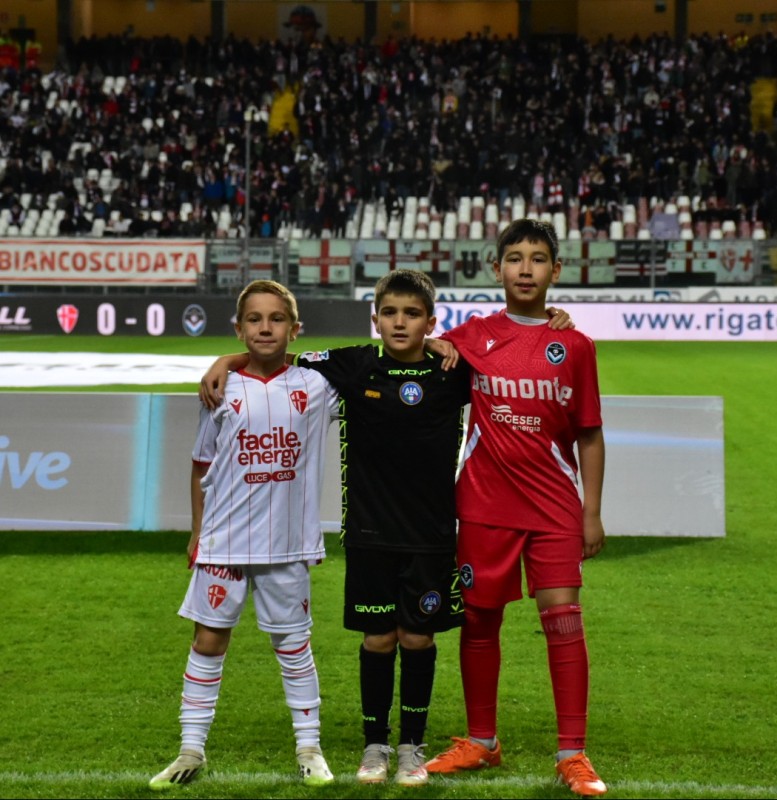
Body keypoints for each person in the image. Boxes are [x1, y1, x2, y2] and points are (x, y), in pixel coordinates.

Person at [198, 269, 574, 787]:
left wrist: (551, 325)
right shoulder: (352, 366)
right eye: (391, 313)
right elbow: (275, 359)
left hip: (433, 535)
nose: (401, 323)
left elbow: (511, 361)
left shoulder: (453, 371)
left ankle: (411, 748)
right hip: (371, 534)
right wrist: (228, 359)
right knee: (379, 640)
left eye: (413, 314)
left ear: (431, 322)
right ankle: (374, 746)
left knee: (417, 640)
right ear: (375, 320)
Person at [423, 218, 608, 796]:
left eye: (537, 258)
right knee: (479, 619)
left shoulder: (574, 345)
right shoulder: (472, 336)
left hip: (554, 507)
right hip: (482, 504)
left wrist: (592, 512)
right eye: (514, 258)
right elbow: (412, 342)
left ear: (556, 270)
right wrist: (230, 361)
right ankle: (482, 742)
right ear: (496, 268)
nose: (525, 268)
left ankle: (572, 754)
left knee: (563, 620)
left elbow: (589, 434)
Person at [149, 280, 338, 791]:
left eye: (276, 319)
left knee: (294, 645)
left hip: (287, 543)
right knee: (208, 641)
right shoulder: (219, 390)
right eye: (253, 320)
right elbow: (200, 465)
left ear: (294, 329)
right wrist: (197, 532)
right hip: (224, 540)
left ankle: (309, 747)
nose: (264, 328)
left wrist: (227, 356)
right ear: (238, 327)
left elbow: (375, 357)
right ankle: (190, 748)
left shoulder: (316, 385)